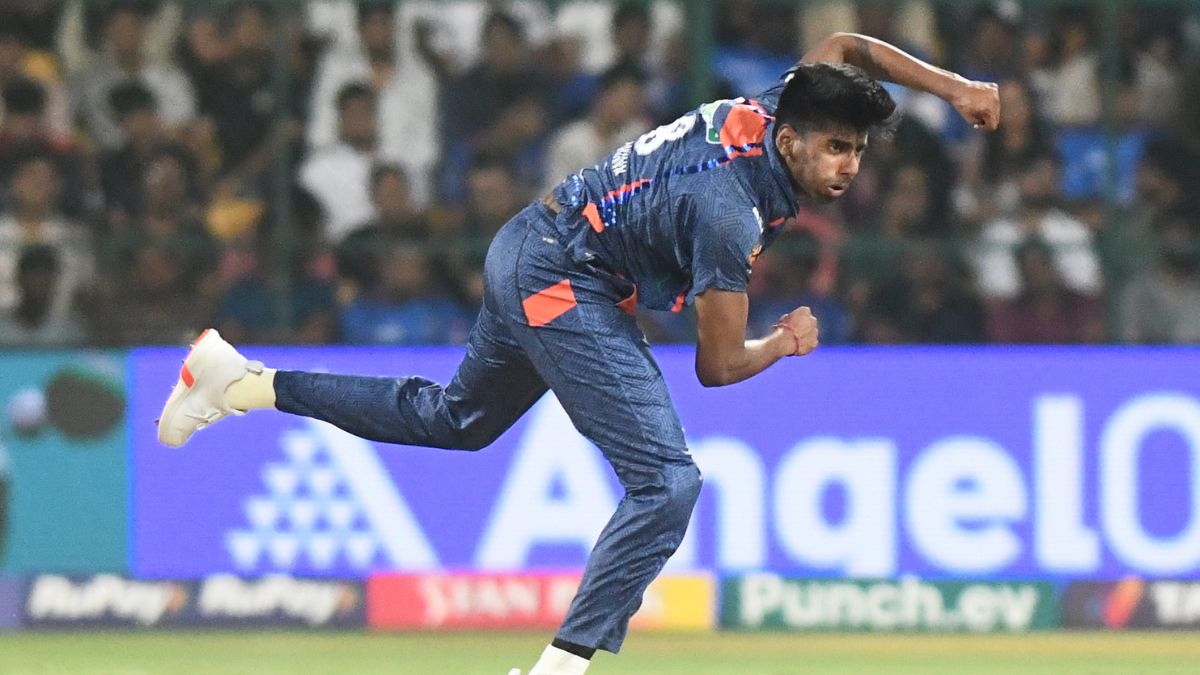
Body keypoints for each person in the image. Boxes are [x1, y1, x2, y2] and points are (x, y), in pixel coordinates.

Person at [157, 33, 998, 675]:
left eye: (857, 150)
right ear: (789, 140)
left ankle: (243, 382)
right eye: (836, 148)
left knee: (457, 421)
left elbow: (847, 48)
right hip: (562, 277)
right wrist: (782, 340)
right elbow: (715, 367)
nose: (848, 167)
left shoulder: (785, 101)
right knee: (669, 481)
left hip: (535, 243)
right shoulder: (728, 212)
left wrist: (955, 88)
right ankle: (560, 669)